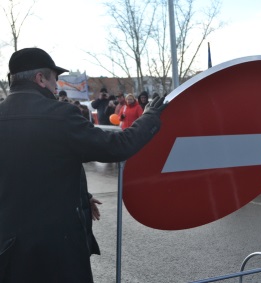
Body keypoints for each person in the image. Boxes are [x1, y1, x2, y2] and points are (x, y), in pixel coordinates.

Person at [0, 47, 166, 283]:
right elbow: (116, 146)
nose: (56, 87)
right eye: (54, 80)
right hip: (58, 249)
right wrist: (150, 117)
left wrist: (81, 195)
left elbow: (29, 169)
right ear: (40, 79)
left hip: (9, 247)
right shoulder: (59, 115)